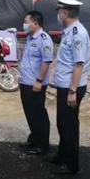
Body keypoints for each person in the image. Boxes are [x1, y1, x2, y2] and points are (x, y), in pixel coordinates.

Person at [46, 0, 90, 175]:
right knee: (63, 123)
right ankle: (62, 155)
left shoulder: (78, 33)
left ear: (65, 13)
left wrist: (72, 91)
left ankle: (71, 164)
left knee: (69, 126)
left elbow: (78, 64)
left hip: (72, 87)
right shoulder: (69, 31)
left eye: (59, 11)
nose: (58, 15)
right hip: (65, 85)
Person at [18, 11, 54, 155]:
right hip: (25, 82)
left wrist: (39, 80)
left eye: (26, 22)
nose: (24, 24)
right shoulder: (30, 37)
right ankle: (34, 139)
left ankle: (42, 145)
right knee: (30, 113)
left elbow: (46, 61)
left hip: (35, 84)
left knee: (38, 114)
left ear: (35, 23)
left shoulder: (44, 39)